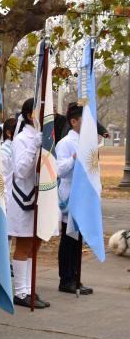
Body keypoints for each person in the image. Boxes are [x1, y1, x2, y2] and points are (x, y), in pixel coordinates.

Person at [8, 98, 54, 309]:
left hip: (40, 196)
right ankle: (20, 292)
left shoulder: (43, 137)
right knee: (24, 245)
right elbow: (21, 171)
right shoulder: (23, 139)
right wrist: (35, 145)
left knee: (35, 245)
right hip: (24, 196)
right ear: (30, 116)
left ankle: (28, 288)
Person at [54, 103, 94, 295]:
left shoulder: (86, 142)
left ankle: (76, 277)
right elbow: (59, 169)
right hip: (70, 195)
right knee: (69, 238)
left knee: (78, 239)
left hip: (83, 194)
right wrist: (74, 158)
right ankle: (66, 278)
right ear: (74, 121)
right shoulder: (65, 143)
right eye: (83, 120)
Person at [0, 117, 17, 205]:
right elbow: (2, 178)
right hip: (8, 200)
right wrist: (5, 203)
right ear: (9, 133)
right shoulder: (3, 152)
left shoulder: (15, 148)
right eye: (18, 130)